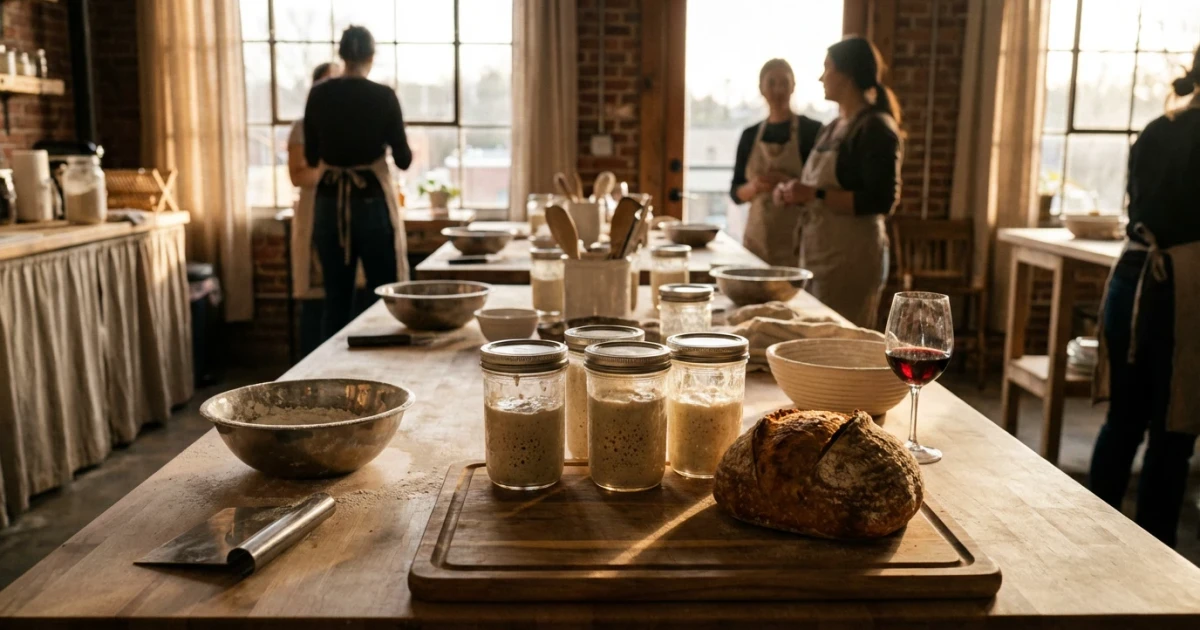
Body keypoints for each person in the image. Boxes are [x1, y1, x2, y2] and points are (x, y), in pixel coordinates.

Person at [1088, 45, 1200, 548]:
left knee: (1123, 421)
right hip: (1180, 286)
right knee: (1173, 433)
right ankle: (1154, 559)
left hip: (1131, 277)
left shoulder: (1157, 129)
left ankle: (1093, 541)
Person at [774, 36, 903, 328]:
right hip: (820, 253)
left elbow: (881, 200)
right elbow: (817, 186)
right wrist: (793, 192)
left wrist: (814, 194)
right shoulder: (833, 127)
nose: (821, 77)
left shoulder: (875, 127)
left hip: (851, 259)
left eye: (827, 68)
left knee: (841, 339)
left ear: (847, 74)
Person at [303, 26, 413, 339]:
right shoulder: (384, 96)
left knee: (336, 298)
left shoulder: (319, 94)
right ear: (371, 57)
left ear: (341, 55)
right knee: (382, 294)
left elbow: (311, 157)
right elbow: (403, 159)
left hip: (329, 201)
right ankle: (384, 362)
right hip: (371, 200)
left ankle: (330, 365)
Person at [730, 58, 823, 267]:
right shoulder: (749, 135)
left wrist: (787, 182)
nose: (778, 90)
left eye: (784, 83)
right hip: (757, 240)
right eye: (771, 83)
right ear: (761, 88)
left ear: (793, 86)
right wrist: (756, 186)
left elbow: (821, 190)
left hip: (799, 241)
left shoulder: (812, 131)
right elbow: (735, 193)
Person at [287, 61, 341, 312]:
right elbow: (298, 177)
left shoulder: (350, 125)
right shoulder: (302, 126)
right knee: (317, 298)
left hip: (346, 213)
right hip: (314, 209)